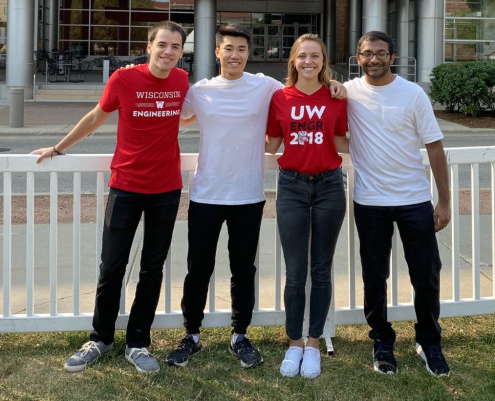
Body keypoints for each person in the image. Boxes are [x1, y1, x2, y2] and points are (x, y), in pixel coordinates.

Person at [165, 23, 346, 369]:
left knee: (243, 269)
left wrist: (338, 86)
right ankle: (191, 335)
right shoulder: (200, 91)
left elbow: (304, 88)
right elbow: (178, 116)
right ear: (217, 52)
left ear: (248, 54)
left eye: (242, 50)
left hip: (248, 194)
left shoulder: (266, 87)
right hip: (206, 192)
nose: (235, 55)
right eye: (229, 49)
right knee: (198, 268)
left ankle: (240, 335)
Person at [30, 21, 190, 374]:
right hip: (126, 186)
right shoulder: (124, 79)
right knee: (111, 267)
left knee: (152, 269)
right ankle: (100, 337)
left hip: (166, 189)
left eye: (175, 47)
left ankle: (138, 342)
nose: (168, 52)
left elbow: (190, 115)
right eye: (162, 44)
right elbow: (95, 117)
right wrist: (58, 147)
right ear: (149, 46)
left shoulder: (181, 81)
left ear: (181, 52)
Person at [345, 31, 451, 377]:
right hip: (370, 200)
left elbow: (434, 146)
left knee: (426, 273)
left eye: (380, 53)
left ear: (393, 56)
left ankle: (429, 341)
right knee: (375, 276)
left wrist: (444, 201)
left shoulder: (413, 94)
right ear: (357, 58)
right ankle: (382, 340)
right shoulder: (347, 93)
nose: (373, 59)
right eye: (366, 54)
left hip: (414, 199)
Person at [265, 34, 347, 379]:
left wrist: (344, 89)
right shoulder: (280, 98)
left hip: (329, 185)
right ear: (294, 61)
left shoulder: (337, 97)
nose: (309, 61)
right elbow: (272, 144)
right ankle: (294, 342)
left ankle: (314, 343)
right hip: (292, 186)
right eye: (303, 56)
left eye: (315, 56)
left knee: (322, 268)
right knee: (296, 270)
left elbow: (343, 140)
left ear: (323, 61)